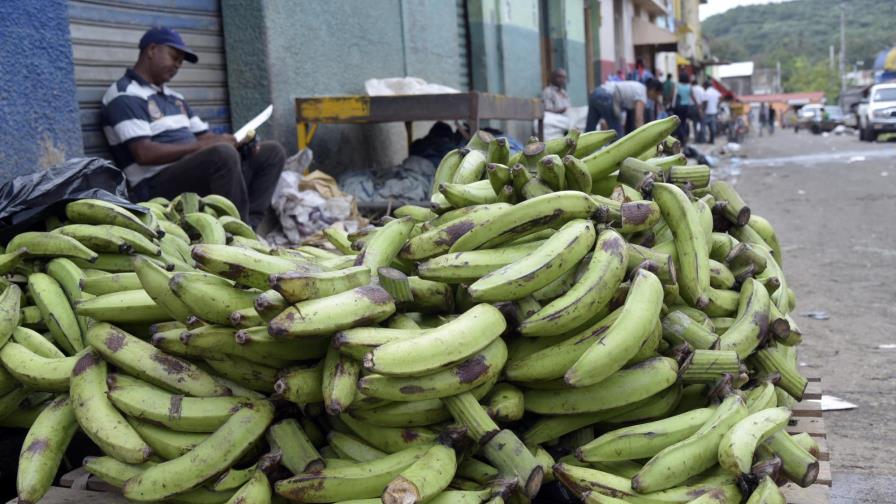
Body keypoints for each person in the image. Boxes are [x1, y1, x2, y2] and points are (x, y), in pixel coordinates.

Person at [101, 27, 285, 228]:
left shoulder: (175, 99)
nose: (178, 65)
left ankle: (249, 227)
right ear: (152, 50)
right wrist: (208, 146)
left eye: (181, 61)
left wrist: (239, 144)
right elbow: (144, 153)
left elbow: (207, 138)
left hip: (191, 171)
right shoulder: (124, 94)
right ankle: (238, 234)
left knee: (271, 152)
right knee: (221, 154)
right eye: (174, 57)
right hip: (153, 185)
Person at [586, 78, 664, 136]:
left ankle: (582, 152)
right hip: (607, 96)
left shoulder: (638, 87)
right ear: (653, 90)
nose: (656, 98)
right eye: (657, 95)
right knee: (617, 133)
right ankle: (617, 157)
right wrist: (643, 137)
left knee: (589, 130)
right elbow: (638, 119)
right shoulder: (642, 93)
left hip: (596, 93)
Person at [671, 74, 698, 144]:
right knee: (683, 122)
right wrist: (697, 104)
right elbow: (692, 96)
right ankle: (683, 137)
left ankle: (682, 137)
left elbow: (672, 95)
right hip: (686, 107)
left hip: (678, 107)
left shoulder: (677, 85)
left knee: (678, 123)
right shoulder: (689, 86)